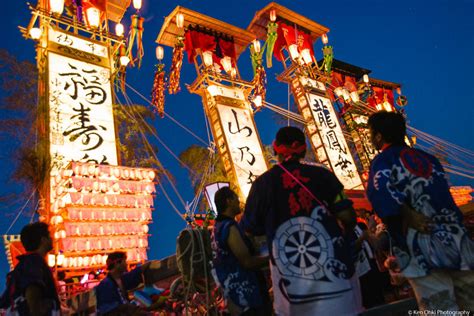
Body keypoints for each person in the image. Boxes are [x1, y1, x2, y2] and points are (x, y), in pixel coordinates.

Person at [241, 126, 362, 315]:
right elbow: (347, 216)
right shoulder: (324, 175)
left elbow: (249, 228)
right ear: (304, 150)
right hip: (335, 273)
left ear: (275, 150)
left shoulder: (262, 184)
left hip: (291, 282)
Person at [366, 111, 474, 311]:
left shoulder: (383, 161)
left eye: (371, 133)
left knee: (441, 310)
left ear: (379, 136)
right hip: (458, 242)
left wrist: (404, 215)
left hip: (420, 246)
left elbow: (382, 198)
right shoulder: (429, 159)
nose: (371, 137)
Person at [211, 187, 271, 316]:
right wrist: (272, 257)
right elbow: (247, 262)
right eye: (236, 199)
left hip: (234, 295)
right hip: (247, 296)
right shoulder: (229, 227)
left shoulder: (216, 229)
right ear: (228, 201)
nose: (239, 202)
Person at [0, 222, 60, 315]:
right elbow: (32, 288)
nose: (53, 239)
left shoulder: (23, 264)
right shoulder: (34, 261)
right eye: (50, 236)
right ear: (43, 240)